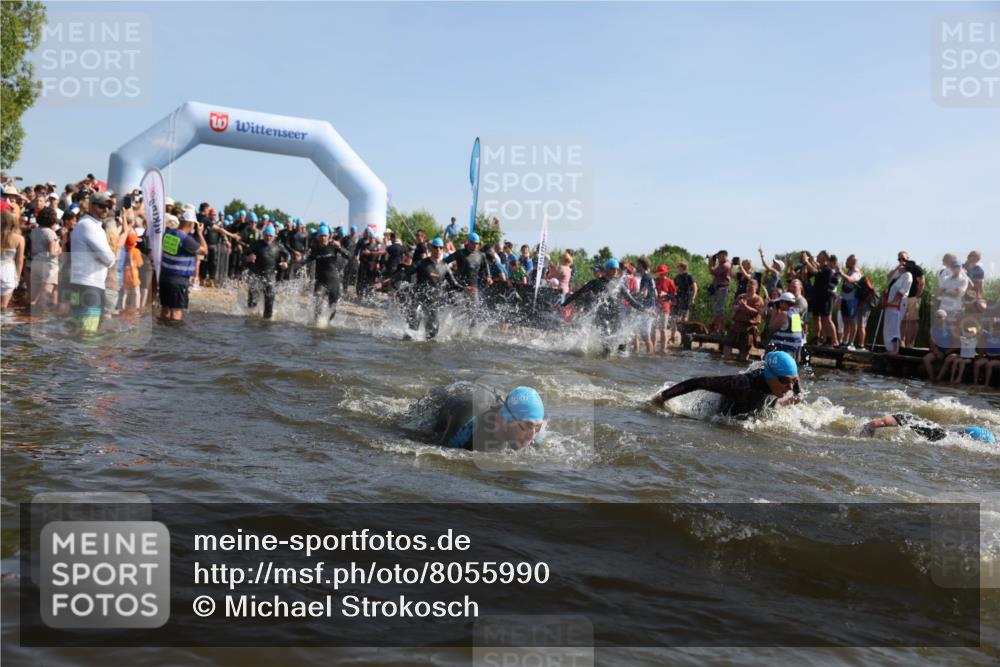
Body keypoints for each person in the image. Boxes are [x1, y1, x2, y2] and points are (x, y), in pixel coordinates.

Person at [652, 350, 802, 418]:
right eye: (784, 380)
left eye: (793, 381)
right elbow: (699, 382)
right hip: (718, 419)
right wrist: (662, 397)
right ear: (770, 375)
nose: (790, 387)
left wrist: (793, 398)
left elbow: (794, 384)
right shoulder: (742, 385)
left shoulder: (785, 381)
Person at [430, 384, 545, 451]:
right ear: (507, 420)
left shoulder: (532, 434)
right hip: (446, 400)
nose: (532, 436)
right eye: (527, 425)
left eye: (538, 427)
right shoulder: (468, 421)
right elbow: (439, 456)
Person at [68, 192, 116, 332]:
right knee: (87, 333)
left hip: (82, 284)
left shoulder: (87, 224)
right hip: (89, 286)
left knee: (77, 330)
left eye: (108, 206)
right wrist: (109, 260)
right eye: (101, 206)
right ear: (91, 205)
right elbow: (109, 258)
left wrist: (107, 260)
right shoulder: (89, 225)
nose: (106, 209)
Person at [408, 237, 464, 339]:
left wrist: (465, 289)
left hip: (433, 302)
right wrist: (391, 279)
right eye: (435, 247)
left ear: (443, 250)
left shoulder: (445, 266)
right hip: (418, 300)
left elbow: (454, 284)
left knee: (432, 333)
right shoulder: (422, 263)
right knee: (412, 330)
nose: (438, 250)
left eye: (440, 248)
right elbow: (405, 273)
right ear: (431, 248)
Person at [159, 210, 207, 322]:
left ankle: (162, 330)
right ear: (191, 224)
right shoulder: (186, 240)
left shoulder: (167, 234)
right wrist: (200, 234)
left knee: (165, 309)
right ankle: (175, 332)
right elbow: (205, 251)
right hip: (178, 281)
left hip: (164, 277)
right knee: (176, 311)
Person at [304, 225, 350, 323]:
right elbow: (306, 260)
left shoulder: (333, 246)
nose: (323, 238)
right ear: (318, 237)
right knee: (318, 296)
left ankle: (328, 323)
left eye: (325, 235)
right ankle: (316, 323)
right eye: (321, 235)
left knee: (332, 308)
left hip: (333, 282)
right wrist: (297, 261)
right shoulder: (315, 249)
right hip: (321, 281)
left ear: (328, 236)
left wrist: (340, 247)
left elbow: (349, 256)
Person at [246, 224, 290, 319]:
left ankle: (267, 321)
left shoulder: (278, 246)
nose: (268, 237)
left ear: (274, 236)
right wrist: (248, 258)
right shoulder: (256, 244)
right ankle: (251, 319)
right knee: (252, 302)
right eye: (266, 235)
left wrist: (286, 262)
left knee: (269, 303)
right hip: (256, 276)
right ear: (263, 234)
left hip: (270, 277)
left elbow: (288, 255)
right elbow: (244, 254)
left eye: (270, 236)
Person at [860, 414, 996, 444]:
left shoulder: (938, 434)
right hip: (943, 435)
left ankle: (870, 426)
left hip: (941, 434)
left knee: (907, 419)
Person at [29, 206, 61, 309]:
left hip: (35, 263)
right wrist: (60, 251)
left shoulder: (34, 231)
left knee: (33, 298)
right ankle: (41, 317)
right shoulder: (51, 233)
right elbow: (52, 253)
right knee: (45, 298)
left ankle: (29, 316)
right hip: (49, 266)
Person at [883, 253, 913, 355]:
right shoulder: (898, 273)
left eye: (903, 259)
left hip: (897, 305)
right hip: (890, 304)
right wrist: (897, 267)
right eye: (899, 259)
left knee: (894, 327)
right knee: (888, 326)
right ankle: (889, 348)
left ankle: (894, 350)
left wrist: (893, 302)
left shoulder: (908, 275)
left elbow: (902, 291)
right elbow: (888, 277)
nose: (901, 261)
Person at [766, 292, 804, 359]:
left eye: (780, 302)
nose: (779, 305)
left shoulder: (784, 314)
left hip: (784, 351)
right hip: (794, 349)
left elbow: (771, 327)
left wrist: (774, 312)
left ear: (784, 303)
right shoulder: (795, 314)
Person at [1, 211, 25, 311]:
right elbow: (19, 260)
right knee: (3, 306)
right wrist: (17, 277)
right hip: (8, 272)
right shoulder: (19, 239)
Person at [923, 309, 957, 381]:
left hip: (950, 351)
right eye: (936, 317)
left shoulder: (951, 328)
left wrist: (947, 352)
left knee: (948, 360)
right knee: (926, 359)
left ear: (945, 318)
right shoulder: (933, 328)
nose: (938, 319)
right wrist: (937, 352)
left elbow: (957, 343)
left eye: (940, 317)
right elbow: (932, 343)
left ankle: (938, 380)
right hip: (939, 350)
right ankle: (932, 378)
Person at [837, 254, 862, 349]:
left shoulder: (856, 272)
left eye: (847, 261)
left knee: (852, 321)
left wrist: (841, 273)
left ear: (852, 262)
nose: (846, 263)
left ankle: (851, 343)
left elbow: (851, 280)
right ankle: (845, 341)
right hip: (845, 299)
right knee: (846, 321)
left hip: (852, 300)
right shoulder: (849, 271)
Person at [901, 256, 925, 348]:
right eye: (900, 259)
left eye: (903, 259)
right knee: (902, 320)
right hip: (903, 298)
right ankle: (902, 341)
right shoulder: (903, 269)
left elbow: (921, 283)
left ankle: (910, 342)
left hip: (913, 297)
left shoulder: (917, 269)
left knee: (913, 320)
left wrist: (917, 296)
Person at [670, 261, 697, 345]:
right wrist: (672, 299)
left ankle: (684, 339)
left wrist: (693, 298)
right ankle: (672, 337)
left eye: (678, 266)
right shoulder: (677, 277)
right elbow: (674, 289)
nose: (677, 268)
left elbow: (695, 288)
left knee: (684, 320)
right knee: (674, 319)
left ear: (682, 267)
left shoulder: (689, 276)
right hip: (677, 300)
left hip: (686, 300)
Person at [653, 263, 677, 354]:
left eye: (662, 273)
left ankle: (663, 349)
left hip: (665, 307)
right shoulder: (655, 281)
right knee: (653, 328)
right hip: (655, 306)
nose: (661, 275)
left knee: (663, 329)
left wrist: (666, 294)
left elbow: (674, 296)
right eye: (660, 273)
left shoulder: (670, 282)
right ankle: (653, 348)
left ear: (666, 273)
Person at [707, 250, 731, 334]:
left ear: (724, 256)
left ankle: (718, 330)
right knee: (717, 310)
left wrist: (710, 262)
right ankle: (719, 329)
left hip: (721, 289)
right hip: (719, 289)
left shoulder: (725, 265)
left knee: (719, 311)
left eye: (719, 256)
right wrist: (713, 261)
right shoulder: (723, 264)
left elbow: (712, 271)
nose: (718, 258)